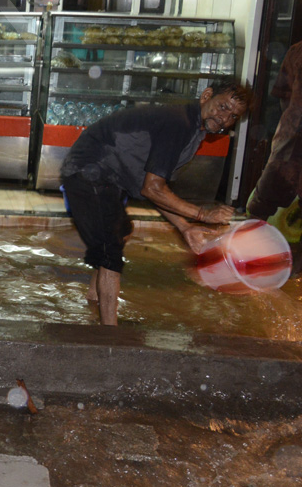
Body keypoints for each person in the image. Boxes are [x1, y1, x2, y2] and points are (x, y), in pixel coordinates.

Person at [60, 80, 251, 326]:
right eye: (223, 107)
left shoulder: (193, 129)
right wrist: (203, 214)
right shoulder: (179, 123)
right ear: (206, 96)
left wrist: (184, 227)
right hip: (90, 169)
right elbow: (153, 188)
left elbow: (156, 189)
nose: (225, 118)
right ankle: (109, 334)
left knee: (118, 232)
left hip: (107, 174)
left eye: (233, 116)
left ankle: (93, 298)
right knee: (110, 250)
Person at [247, 41, 302, 264]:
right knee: (266, 197)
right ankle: (252, 256)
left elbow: (283, 95)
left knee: (265, 199)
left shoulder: (297, 50)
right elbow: (284, 94)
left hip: (292, 132)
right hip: (293, 135)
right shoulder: (297, 51)